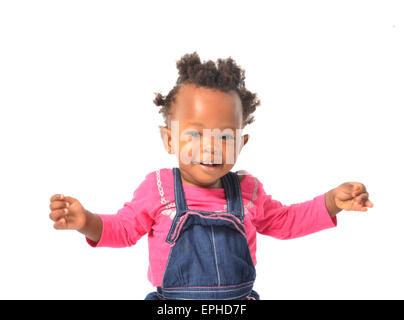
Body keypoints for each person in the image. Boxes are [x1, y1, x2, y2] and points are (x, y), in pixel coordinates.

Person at [48, 52, 374, 300]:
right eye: (196, 134)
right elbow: (123, 229)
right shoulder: (158, 189)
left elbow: (286, 222)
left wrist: (332, 202)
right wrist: (86, 221)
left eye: (226, 136)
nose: (212, 147)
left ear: (241, 144)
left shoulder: (248, 190)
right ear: (170, 139)